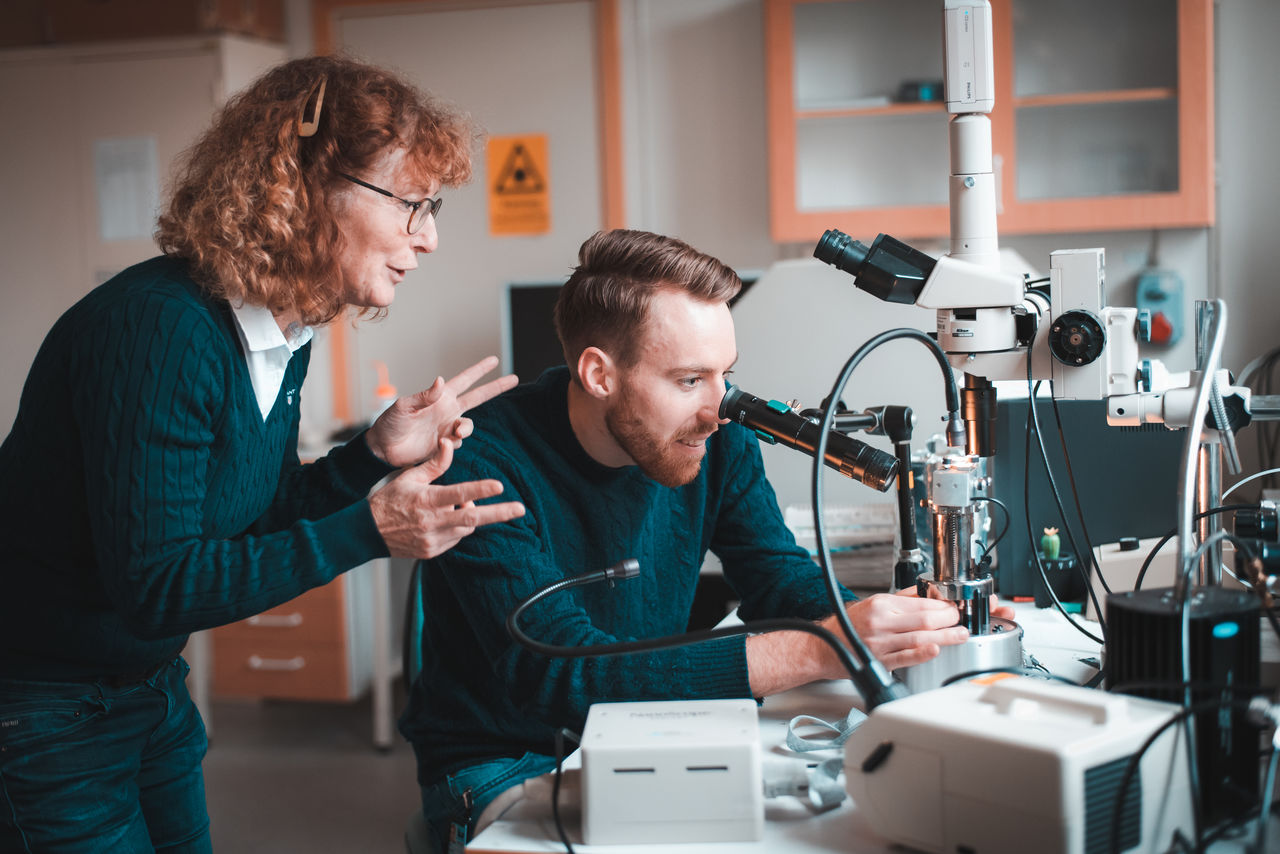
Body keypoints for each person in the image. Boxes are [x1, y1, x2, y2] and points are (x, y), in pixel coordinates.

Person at [0, 55, 524, 852]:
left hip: (145, 686)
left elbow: (258, 516)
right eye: (411, 204)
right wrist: (370, 531)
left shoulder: (283, 332)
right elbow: (157, 585)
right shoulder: (161, 329)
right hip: (44, 703)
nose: (431, 236)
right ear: (307, 185)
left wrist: (373, 453)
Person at [400, 228, 1012, 849]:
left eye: (725, 374)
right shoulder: (482, 463)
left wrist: (897, 621)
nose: (719, 408)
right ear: (599, 374)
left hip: (647, 726)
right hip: (509, 759)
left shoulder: (714, 434)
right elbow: (564, 677)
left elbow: (777, 577)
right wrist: (825, 647)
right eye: (689, 380)